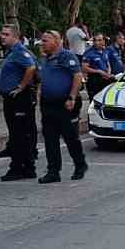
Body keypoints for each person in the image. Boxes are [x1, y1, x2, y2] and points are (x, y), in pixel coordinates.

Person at [37, 30, 88, 183]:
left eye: (45, 40)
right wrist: (40, 92)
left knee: (70, 137)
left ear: (57, 41)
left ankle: (80, 164)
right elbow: (44, 78)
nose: (42, 43)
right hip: (48, 104)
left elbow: (77, 76)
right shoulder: (45, 58)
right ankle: (53, 171)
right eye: (42, 40)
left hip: (65, 103)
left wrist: (72, 97)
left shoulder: (67, 56)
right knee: (50, 138)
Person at [0, 23, 38, 181]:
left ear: (16, 36)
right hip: (11, 99)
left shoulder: (20, 51)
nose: (2, 37)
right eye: (2, 34)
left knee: (19, 134)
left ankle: (17, 168)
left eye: (6, 34)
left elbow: (31, 67)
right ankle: (28, 167)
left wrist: (21, 86)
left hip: (19, 99)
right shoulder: (11, 52)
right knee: (18, 133)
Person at [82, 32, 119, 100]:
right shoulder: (89, 52)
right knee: (95, 101)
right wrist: (98, 71)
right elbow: (84, 68)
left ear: (103, 41)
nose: (96, 42)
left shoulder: (105, 51)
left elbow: (108, 63)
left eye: (99, 40)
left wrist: (108, 73)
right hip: (94, 80)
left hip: (106, 79)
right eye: (95, 40)